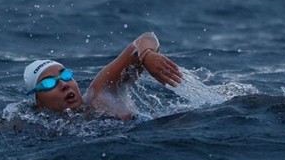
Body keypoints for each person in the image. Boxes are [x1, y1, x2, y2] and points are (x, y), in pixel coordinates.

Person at [23, 31, 183, 120]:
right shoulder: (40, 126)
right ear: (39, 103)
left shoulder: (100, 93)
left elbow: (145, 38)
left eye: (65, 75)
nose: (64, 84)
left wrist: (146, 54)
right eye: (49, 83)